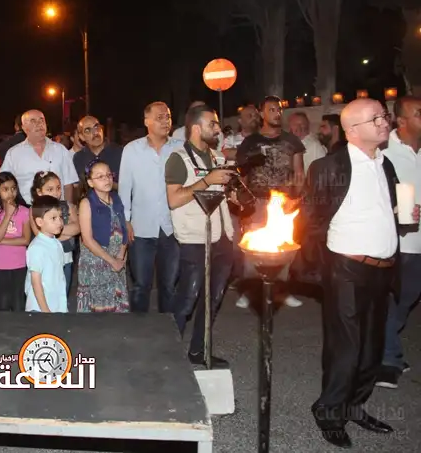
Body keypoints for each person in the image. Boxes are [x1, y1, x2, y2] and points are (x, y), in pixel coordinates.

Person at [300, 98, 418, 448]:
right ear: (352, 130)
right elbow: (310, 222)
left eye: (384, 115)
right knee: (346, 348)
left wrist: (404, 214)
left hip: (382, 270)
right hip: (347, 270)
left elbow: (386, 209)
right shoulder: (328, 167)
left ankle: (353, 406)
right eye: (375, 118)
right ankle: (329, 411)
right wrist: (322, 268)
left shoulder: (385, 163)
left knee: (372, 348)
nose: (384, 122)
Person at [165, 104, 235, 367]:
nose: (217, 128)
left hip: (222, 237)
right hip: (195, 239)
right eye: (212, 124)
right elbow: (174, 200)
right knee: (187, 299)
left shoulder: (217, 157)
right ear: (196, 128)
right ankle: (166, 355)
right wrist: (207, 180)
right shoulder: (178, 158)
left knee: (213, 299)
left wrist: (234, 194)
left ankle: (198, 350)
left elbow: (221, 194)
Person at [235, 96, 305, 309]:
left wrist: (295, 198)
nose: (276, 113)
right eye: (272, 109)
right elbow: (242, 175)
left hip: (284, 203)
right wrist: (243, 202)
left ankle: (281, 291)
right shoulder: (250, 142)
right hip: (257, 202)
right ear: (262, 113)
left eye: (279, 110)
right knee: (253, 249)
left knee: (282, 247)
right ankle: (250, 291)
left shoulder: (292, 142)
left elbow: (299, 173)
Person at [118, 101, 181, 313]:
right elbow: (124, 188)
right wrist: (125, 221)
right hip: (140, 229)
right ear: (147, 122)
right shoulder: (132, 150)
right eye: (159, 117)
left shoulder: (180, 148)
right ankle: (139, 328)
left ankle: (167, 328)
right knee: (141, 286)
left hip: (172, 228)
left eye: (168, 117)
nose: (165, 121)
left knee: (169, 286)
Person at [376, 95, 421, 389]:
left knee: (408, 298)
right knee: (395, 300)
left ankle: (386, 350)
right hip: (400, 242)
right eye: (419, 113)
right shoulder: (384, 153)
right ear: (401, 121)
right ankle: (387, 360)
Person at [76, 159, 129, 313]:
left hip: (116, 261)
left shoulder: (116, 198)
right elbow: (87, 239)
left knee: (117, 308)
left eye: (109, 175)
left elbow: (123, 228)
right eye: (100, 176)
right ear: (90, 182)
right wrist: (112, 260)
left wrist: (121, 255)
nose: (106, 179)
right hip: (96, 263)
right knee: (98, 313)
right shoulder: (87, 203)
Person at [0, 109, 80, 205]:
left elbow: (68, 184)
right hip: (27, 209)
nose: (39, 124)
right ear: (24, 128)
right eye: (33, 121)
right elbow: (4, 183)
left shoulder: (60, 150)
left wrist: (67, 208)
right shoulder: (13, 153)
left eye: (42, 120)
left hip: (58, 209)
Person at [0, 172, 30, 312]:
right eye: (5, 189)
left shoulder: (24, 211)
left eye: (13, 188)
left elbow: (26, 239)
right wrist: (8, 215)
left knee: (18, 302)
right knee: (3, 302)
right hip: (1, 264)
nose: (10, 192)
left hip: (19, 263)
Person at [30, 172, 80, 293]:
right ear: (39, 192)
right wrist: (66, 231)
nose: (56, 193)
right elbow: (40, 234)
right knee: (46, 293)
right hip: (46, 260)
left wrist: (53, 230)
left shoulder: (67, 206)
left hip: (65, 259)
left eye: (58, 188)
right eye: (50, 189)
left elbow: (77, 228)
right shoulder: (34, 209)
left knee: (63, 293)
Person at [25, 195, 67, 313]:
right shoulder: (37, 247)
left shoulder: (57, 243)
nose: (59, 222)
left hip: (56, 305)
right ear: (40, 222)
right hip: (40, 309)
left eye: (60, 217)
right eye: (53, 218)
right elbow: (36, 282)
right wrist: (45, 311)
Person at [72, 115, 123, 189]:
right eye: (88, 130)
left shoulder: (120, 152)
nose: (95, 132)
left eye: (96, 127)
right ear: (81, 137)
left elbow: (129, 185)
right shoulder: (79, 158)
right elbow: (78, 188)